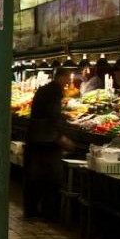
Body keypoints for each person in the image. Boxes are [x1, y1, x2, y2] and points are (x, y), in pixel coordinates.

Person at [23, 69, 73, 220]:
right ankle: (48, 213)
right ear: (62, 77)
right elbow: (52, 115)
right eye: (67, 79)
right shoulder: (55, 91)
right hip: (46, 140)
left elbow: (46, 112)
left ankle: (32, 210)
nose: (68, 82)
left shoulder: (45, 89)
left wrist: (62, 116)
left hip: (36, 138)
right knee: (49, 178)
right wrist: (60, 137)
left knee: (35, 176)